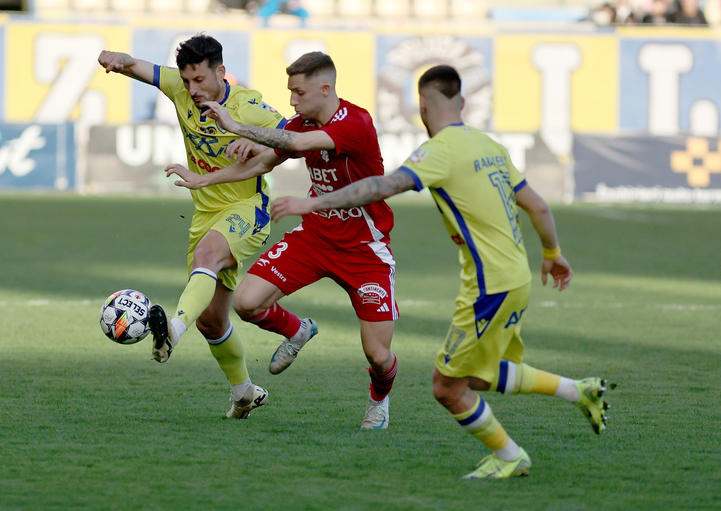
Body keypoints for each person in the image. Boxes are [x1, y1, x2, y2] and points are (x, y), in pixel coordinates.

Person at [270, 65, 612, 479]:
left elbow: (382, 186)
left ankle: (510, 456)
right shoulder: (489, 145)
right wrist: (553, 253)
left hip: (490, 285)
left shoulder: (439, 150)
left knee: (447, 387)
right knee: (479, 377)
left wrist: (312, 204)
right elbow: (537, 205)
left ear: (422, 106)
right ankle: (580, 390)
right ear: (462, 102)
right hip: (515, 277)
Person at [165, 52, 399, 430]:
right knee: (245, 302)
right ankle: (298, 329)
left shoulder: (355, 123)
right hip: (316, 237)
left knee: (378, 354)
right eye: (290, 92)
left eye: (298, 92)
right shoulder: (305, 121)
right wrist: (201, 179)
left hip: (364, 249)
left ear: (325, 89)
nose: (292, 101)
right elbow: (262, 162)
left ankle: (378, 400)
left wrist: (238, 126)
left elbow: (293, 141)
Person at [97, 34, 288, 419]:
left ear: (220, 71)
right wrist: (116, 59)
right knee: (212, 320)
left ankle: (171, 332)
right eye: (186, 81)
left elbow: (290, 137)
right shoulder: (181, 90)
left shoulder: (247, 105)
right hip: (205, 213)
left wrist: (256, 144)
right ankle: (244, 392)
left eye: (200, 80)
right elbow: (140, 67)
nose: (192, 89)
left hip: (247, 207)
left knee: (207, 257)